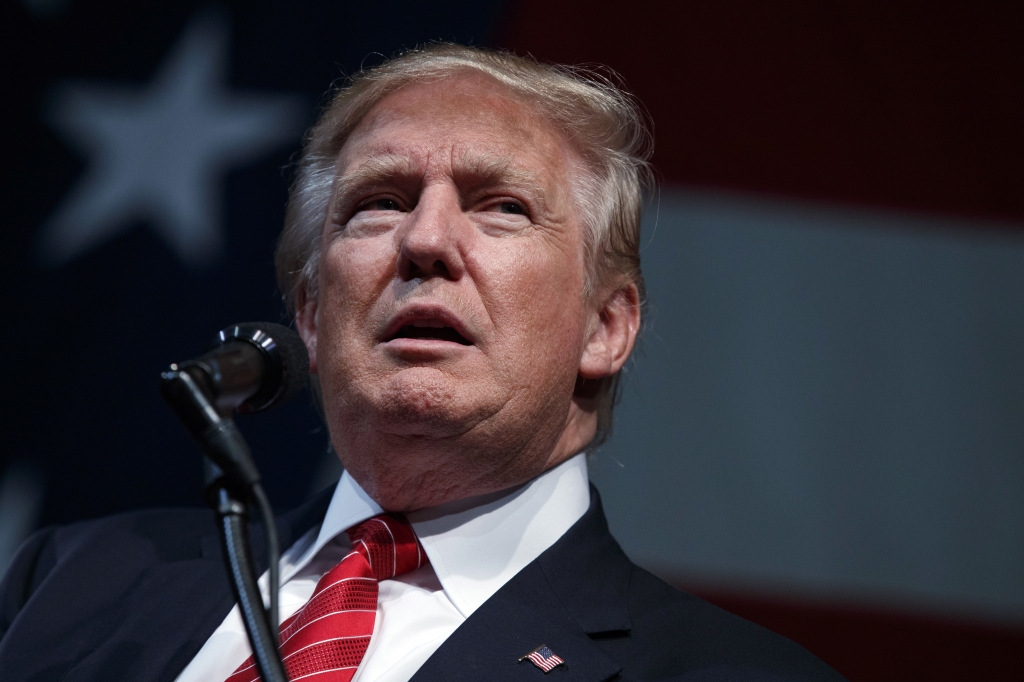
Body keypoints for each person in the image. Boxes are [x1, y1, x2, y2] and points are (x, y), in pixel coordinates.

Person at [0, 44, 844, 682]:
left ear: (606, 326)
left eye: (502, 208)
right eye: (380, 204)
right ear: (312, 317)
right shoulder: (71, 581)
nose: (427, 240)